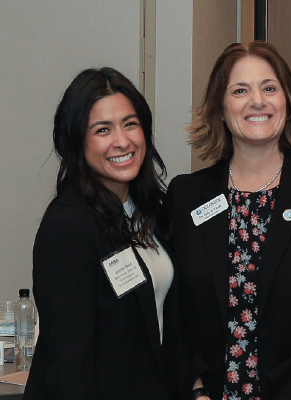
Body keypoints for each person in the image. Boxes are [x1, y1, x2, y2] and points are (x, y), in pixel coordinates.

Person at [164, 41, 291, 400]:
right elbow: (171, 308)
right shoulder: (185, 197)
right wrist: (195, 388)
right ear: (220, 107)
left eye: (269, 88)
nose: (257, 101)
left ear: (287, 102)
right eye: (240, 90)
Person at [25, 67, 188, 400]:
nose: (122, 141)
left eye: (131, 124)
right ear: (77, 140)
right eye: (103, 129)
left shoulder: (149, 212)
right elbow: (70, 363)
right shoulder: (68, 227)